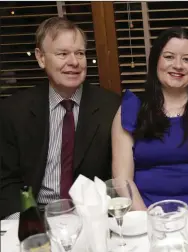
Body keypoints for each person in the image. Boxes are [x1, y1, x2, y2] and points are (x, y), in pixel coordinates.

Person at [0, 17, 120, 220]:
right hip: (35, 214)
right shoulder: (14, 110)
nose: (74, 62)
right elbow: (6, 178)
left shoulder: (112, 107)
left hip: (91, 216)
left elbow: (116, 178)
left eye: (79, 53)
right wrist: (23, 221)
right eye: (62, 54)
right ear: (41, 57)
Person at [111, 27, 188, 215]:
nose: (178, 65)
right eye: (169, 57)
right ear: (155, 62)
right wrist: (149, 221)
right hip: (145, 217)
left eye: (187, 59)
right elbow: (121, 178)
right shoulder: (130, 109)